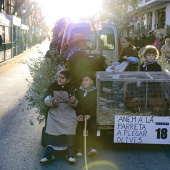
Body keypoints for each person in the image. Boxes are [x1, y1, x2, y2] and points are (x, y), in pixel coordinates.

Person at [40, 69, 78, 164]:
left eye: (62, 78)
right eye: (58, 77)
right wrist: (52, 102)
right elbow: (46, 98)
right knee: (52, 124)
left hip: (68, 110)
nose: (59, 79)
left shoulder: (72, 88)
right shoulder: (53, 86)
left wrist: (73, 102)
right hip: (55, 110)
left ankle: (70, 153)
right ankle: (48, 154)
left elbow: (77, 102)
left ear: (68, 80)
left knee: (70, 124)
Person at [75, 72, 97, 158]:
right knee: (79, 128)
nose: (84, 82)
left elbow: (95, 105)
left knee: (93, 127)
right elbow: (77, 104)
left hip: (91, 115)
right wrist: (79, 115)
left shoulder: (95, 92)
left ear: (92, 82)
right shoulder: (78, 92)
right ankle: (79, 148)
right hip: (80, 115)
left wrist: (90, 115)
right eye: (83, 80)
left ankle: (91, 147)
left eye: (86, 80)